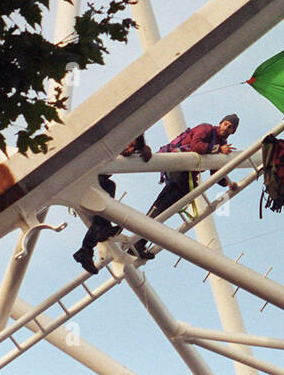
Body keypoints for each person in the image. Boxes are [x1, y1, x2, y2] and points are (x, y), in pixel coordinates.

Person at [129, 114, 240, 260]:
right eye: (225, 124)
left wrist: (228, 184)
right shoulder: (206, 128)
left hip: (184, 173)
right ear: (220, 123)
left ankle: (139, 242)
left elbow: (215, 170)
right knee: (164, 205)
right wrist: (219, 149)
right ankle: (137, 241)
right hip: (178, 165)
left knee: (165, 208)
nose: (226, 127)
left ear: (233, 131)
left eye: (230, 127)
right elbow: (196, 145)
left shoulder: (220, 142)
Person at [72, 135, 151, 275]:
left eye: (132, 145)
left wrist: (143, 150)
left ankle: (93, 242)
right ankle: (87, 247)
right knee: (104, 212)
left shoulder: (119, 152)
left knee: (103, 215)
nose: (129, 147)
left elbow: (140, 153)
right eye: (129, 143)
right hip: (89, 179)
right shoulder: (111, 144)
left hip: (96, 180)